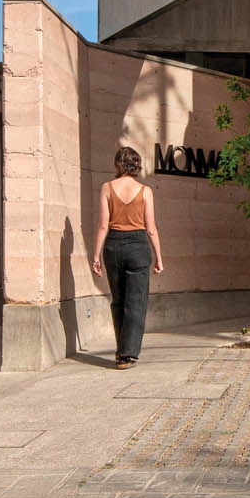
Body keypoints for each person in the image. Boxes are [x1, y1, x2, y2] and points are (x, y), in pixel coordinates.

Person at [91, 144, 164, 367]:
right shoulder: (145, 191)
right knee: (136, 301)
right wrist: (159, 256)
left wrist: (95, 256)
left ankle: (121, 348)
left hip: (113, 246)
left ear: (117, 164)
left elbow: (103, 225)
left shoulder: (106, 188)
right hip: (138, 247)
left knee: (119, 300)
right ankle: (127, 353)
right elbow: (151, 227)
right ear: (136, 165)